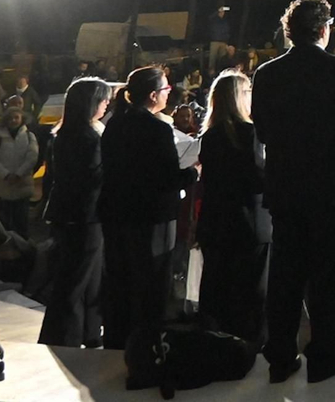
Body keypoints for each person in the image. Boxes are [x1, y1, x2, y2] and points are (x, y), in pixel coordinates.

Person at [250, 0, 335, 383]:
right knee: (326, 276)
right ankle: (323, 355)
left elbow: (263, 130)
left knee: (285, 276)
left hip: (285, 188)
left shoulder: (267, 74)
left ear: (289, 32)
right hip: (330, 190)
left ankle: (280, 356)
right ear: (325, 30)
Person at [99, 66, 190, 349]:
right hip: (153, 217)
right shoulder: (157, 128)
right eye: (166, 89)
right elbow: (167, 178)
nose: (168, 93)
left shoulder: (115, 124)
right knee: (152, 285)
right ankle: (147, 346)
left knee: (121, 282)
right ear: (153, 95)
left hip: (117, 214)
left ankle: (117, 342)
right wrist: (194, 172)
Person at [197, 70, 270, 346]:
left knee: (219, 291)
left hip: (216, 224)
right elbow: (258, 179)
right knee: (251, 296)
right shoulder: (250, 133)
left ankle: (218, 347)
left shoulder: (210, 135)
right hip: (249, 224)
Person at [39, 77, 112, 347]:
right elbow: (93, 177)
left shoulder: (65, 134)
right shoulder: (88, 137)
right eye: (103, 100)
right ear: (91, 103)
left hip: (68, 213)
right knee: (76, 279)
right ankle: (63, 337)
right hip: (85, 215)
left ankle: (89, 332)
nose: (106, 105)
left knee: (87, 277)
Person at [0, 103, 39, 237]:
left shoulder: (29, 136)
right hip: (3, 186)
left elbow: (32, 157)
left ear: (22, 119)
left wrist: (19, 174)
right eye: (10, 118)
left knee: (22, 222)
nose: (13, 120)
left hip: (22, 185)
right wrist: (6, 175)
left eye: (16, 117)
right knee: (4, 223)